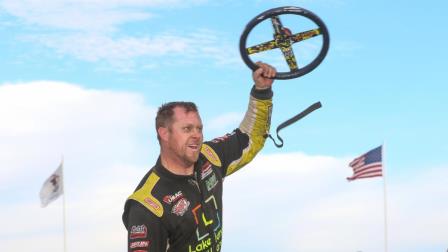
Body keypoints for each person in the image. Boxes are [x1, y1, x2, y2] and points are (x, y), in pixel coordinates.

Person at [122, 62, 277, 252]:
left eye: (199, 128)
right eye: (187, 129)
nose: (197, 135)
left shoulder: (210, 156)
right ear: (164, 133)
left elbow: (250, 138)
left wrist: (261, 91)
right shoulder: (148, 204)